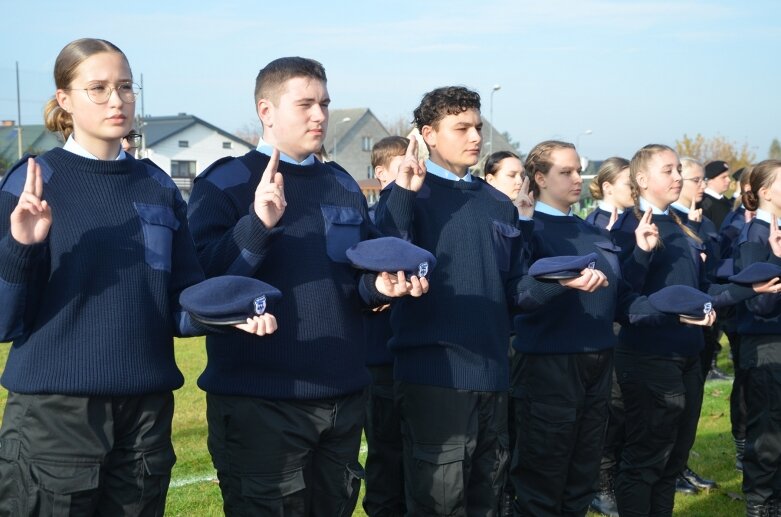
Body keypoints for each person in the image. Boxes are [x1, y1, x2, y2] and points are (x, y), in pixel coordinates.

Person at [0, 38, 276, 517]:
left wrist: (227, 314)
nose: (117, 100)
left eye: (126, 87)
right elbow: (4, 322)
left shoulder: (156, 183)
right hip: (56, 414)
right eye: (98, 88)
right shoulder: (32, 182)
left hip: (146, 412)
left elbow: (178, 302)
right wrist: (22, 246)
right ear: (64, 99)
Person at [186, 57, 427, 516]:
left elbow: (354, 283)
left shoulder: (339, 182)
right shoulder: (228, 182)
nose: (320, 115)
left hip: (341, 397)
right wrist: (257, 224)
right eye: (306, 104)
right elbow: (204, 286)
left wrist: (383, 290)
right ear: (266, 111)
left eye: (325, 103)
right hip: (261, 402)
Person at [509, 141, 712, 517]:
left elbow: (621, 301)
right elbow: (518, 294)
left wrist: (675, 310)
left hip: (599, 362)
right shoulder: (527, 227)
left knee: (581, 479)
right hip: (550, 365)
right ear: (539, 178)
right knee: (543, 479)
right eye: (566, 172)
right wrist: (554, 278)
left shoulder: (587, 230)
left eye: (577, 170)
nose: (577, 179)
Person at [375, 86, 525, 516]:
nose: (475, 136)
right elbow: (384, 252)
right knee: (439, 500)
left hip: (493, 373)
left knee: (488, 493)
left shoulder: (498, 204)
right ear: (429, 134)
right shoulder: (405, 194)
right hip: (434, 375)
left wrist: (561, 282)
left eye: (478, 126)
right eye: (461, 127)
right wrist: (403, 192)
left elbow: (513, 288)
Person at [610, 144, 778, 517]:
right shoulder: (629, 228)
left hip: (687, 356)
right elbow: (625, 301)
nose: (678, 177)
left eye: (677, 170)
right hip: (648, 357)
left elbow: (704, 294)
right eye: (668, 170)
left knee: (671, 461)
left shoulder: (680, 227)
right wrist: (640, 252)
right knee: (645, 461)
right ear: (642, 179)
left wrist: (750, 288)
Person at [669, 157, 722, 494]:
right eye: (696, 179)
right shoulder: (664, 221)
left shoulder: (697, 221)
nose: (702, 186)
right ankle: (671, 470)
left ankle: (680, 466)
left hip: (702, 324)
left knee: (692, 407)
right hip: (671, 333)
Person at [363, 135, 409, 517]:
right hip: (380, 356)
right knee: (385, 448)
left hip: (415, 353)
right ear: (381, 175)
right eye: (403, 169)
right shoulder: (378, 217)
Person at [583, 156, 632, 517]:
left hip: (629, 321)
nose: (635, 189)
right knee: (608, 410)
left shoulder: (637, 220)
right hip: (603, 328)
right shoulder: (594, 224)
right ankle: (601, 484)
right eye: (629, 182)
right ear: (609, 185)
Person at [733, 159, 781, 516]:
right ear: (764, 192)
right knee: (766, 428)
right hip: (764, 343)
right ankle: (760, 503)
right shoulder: (754, 236)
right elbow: (760, 304)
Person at [585, 156, 633, 230]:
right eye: (630, 185)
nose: (636, 190)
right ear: (607, 187)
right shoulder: (594, 223)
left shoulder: (634, 217)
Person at [700, 159, 734, 229]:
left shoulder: (726, 201)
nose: (729, 180)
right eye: (723, 177)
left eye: (728, 176)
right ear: (709, 180)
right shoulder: (704, 203)